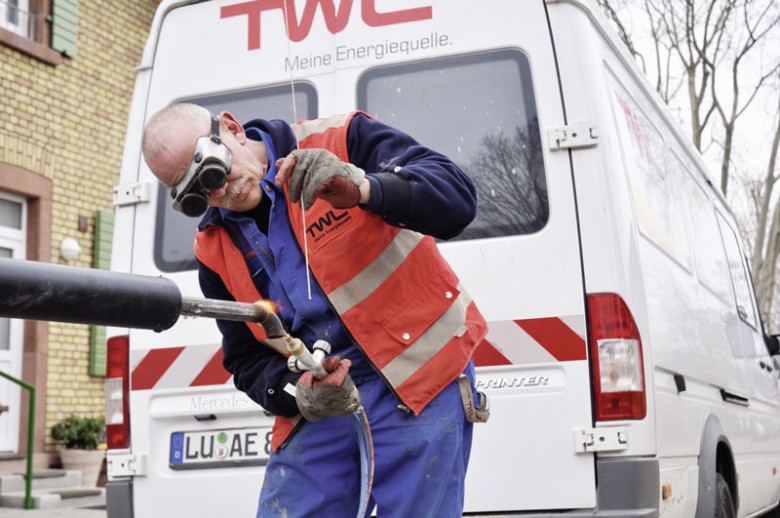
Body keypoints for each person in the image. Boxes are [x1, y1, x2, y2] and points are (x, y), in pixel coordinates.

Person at [142, 103, 488, 517]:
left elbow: (457, 200)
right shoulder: (213, 247)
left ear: (231, 128)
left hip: (417, 375)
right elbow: (246, 360)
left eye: (214, 171)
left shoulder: (342, 139)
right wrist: (299, 395)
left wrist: (363, 188)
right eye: (199, 193)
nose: (220, 193)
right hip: (326, 400)